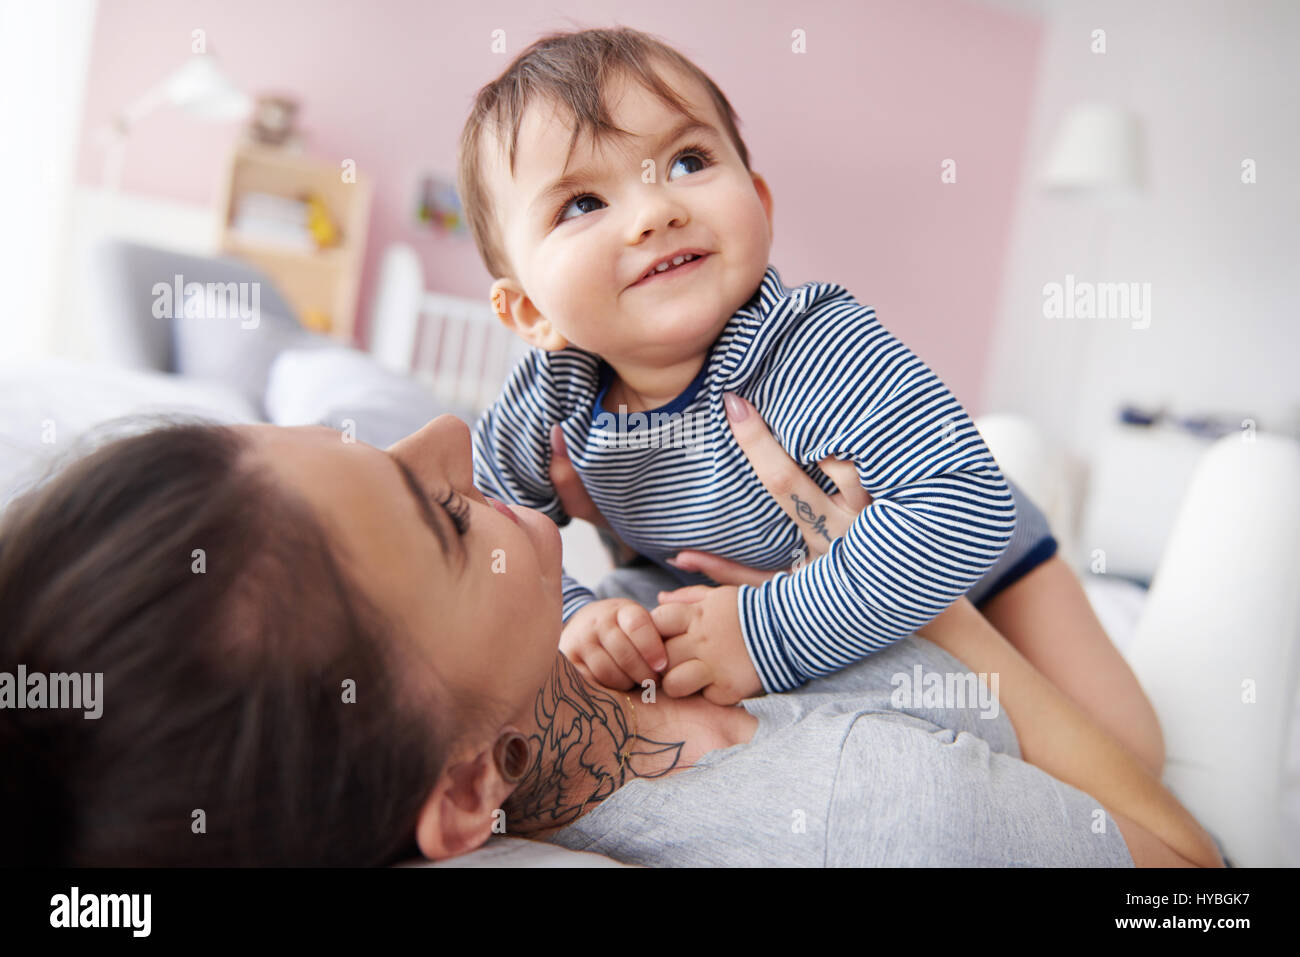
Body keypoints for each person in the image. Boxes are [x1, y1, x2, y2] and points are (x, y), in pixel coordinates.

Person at [0, 412, 1221, 867]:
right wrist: (925, 600)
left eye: (348, 434)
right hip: (1067, 700)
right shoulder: (876, 819)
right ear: (467, 788)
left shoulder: (579, 633)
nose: (450, 429)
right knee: (1244, 479)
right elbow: (1195, 876)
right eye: (437, 514)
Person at [456, 26, 1164, 773]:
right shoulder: (549, 401)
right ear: (528, 311)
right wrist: (574, 615)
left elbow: (966, 507)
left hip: (988, 569)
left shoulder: (813, 347)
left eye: (687, 161)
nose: (653, 211)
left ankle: (1020, 456)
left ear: (758, 200)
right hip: (771, 571)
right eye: (583, 202)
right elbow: (484, 532)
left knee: (1131, 758)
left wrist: (768, 635)